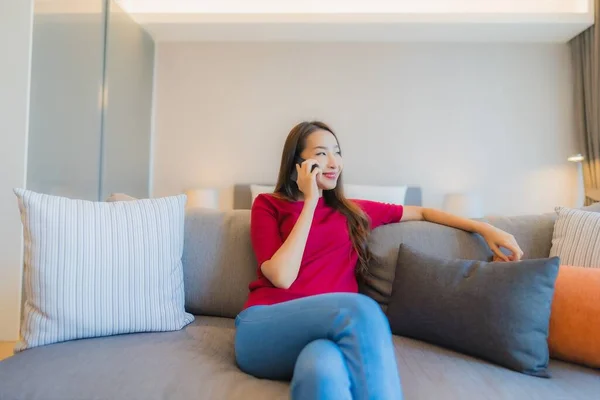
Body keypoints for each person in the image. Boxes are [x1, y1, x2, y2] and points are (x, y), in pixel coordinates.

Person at [234, 121, 523, 400]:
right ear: (298, 164)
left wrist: (487, 229)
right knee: (360, 309)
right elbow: (282, 276)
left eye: (337, 152)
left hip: (323, 341)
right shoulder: (268, 205)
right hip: (266, 329)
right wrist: (311, 201)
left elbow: (423, 213)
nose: (334, 162)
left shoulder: (353, 211)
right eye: (322, 153)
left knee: (322, 372)